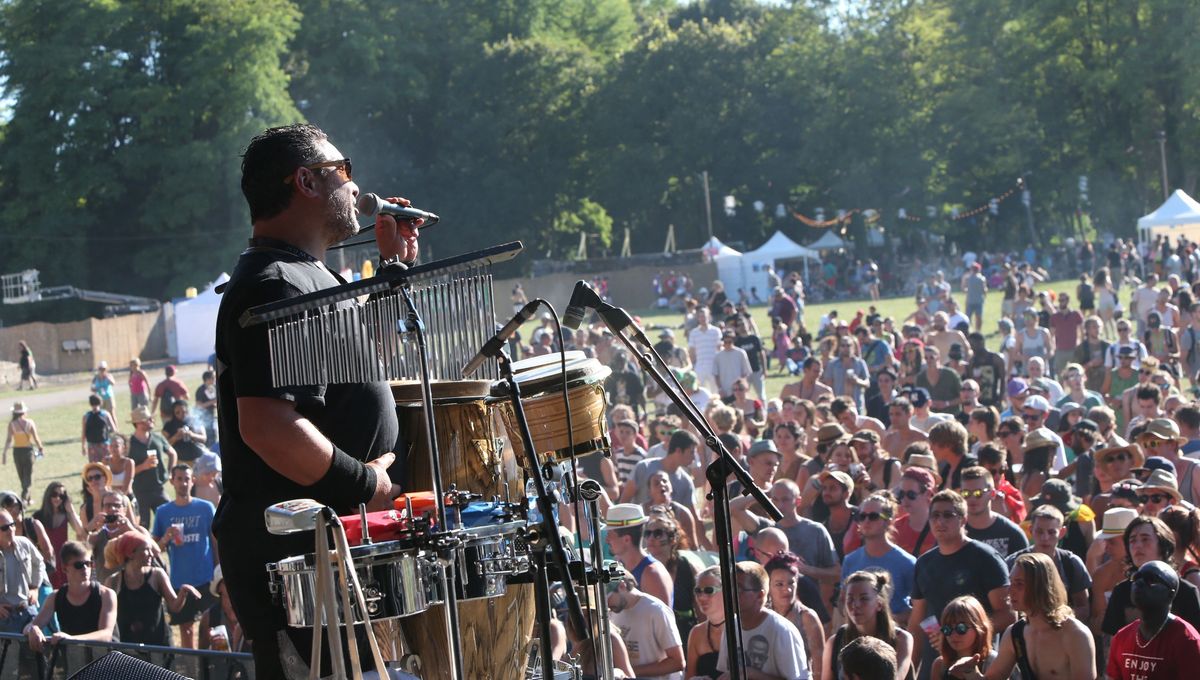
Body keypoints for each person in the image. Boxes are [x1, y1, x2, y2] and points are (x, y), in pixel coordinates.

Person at [213, 124, 416, 678]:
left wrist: (393, 272)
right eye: (343, 170)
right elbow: (268, 426)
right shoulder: (275, 284)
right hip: (299, 563)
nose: (355, 186)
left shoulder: (309, 276)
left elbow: (361, 365)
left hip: (329, 556)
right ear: (304, 181)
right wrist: (365, 483)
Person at [907, 490, 1014, 680]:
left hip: (979, 665)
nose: (940, 521)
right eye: (935, 515)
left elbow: (1008, 615)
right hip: (937, 666)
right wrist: (910, 672)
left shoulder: (986, 558)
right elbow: (916, 623)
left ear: (963, 519)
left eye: (948, 515)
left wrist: (957, 634)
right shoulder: (924, 563)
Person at [949, 552, 1097, 679]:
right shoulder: (1015, 634)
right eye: (1011, 582)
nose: (1010, 591)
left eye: (1019, 584)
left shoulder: (1075, 634)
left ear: (1041, 587)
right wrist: (970, 672)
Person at [152, 465, 217, 649]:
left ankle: (209, 664)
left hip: (206, 578)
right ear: (172, 481)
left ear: (193, 481)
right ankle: (190, 665)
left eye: (187, 479)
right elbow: (154, 549)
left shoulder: (206, 508)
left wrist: (218, 570)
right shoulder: (163, 512)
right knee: (186, 630)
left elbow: (215, 542)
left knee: (211, 629)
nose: (183, 483)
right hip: (180, 581)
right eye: (179, 479)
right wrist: (166, 538)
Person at [1102, 515, 1200, 637]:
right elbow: (1111, 641)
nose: (1137, 545)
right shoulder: (1121, 592)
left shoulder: (1186, 592)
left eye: (1145, 539)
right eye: (1132, 540)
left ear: (1163, 545)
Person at [715, 561, 810, 679]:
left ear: (760, 595)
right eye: (729, 588)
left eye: (738, 589)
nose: (731, 594)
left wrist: (752, 674)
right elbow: (725, 672)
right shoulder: (730, 627)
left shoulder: (782, 630)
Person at [1106, 560, 1200, 679]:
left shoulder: (1186, 640)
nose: (1139, 583)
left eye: (1151, 580)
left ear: (1170, 594)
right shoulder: (1121, 638)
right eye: (1136, 578)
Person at [104, 531, 200, 645]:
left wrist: (183, 592)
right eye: (146, 550)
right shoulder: (113, 582)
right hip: (127, 646)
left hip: (158, 646)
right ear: (131, 553)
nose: (152, 554)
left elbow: (174, 606)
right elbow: (105, 615)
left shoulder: (157, 575)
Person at [23, 541, 117, 652]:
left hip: (107, 658)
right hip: (75, 658)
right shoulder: (55, 597)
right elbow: (30, 627)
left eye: (88, 564)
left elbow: (106, 635)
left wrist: (71, 639)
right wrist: (33, 629)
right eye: (79, 565)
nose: (85, 568)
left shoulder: (106, 595)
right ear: (64, 568)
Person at [821, 569, 913, 680]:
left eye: (864, 598)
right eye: (850, 599)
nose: (855, 605)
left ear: (879, 604)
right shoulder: (835, 642)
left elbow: (897, 677)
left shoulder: (901, 639)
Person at [841, 492, 916, 626]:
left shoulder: (907, 562)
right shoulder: (850, 561)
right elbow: (843, 601)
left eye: (873, 516)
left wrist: (888, 620)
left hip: (894, 634)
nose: (866, 521)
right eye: (862, 516)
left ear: (888, 521)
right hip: (859, 633)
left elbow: (919, 608)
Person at [1005, 505, 1092, 621]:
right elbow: (1005, 605)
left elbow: (1083, 607)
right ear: (1031, 530)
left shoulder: (1071, 563)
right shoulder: (1013, 563)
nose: (1045, 537)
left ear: (1062, 532)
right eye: (1039, 531)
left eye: (1051, 532)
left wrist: (1056, 621)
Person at [607, 565, 685, 680]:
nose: (606, 604)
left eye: (608, 598)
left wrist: (628, 671)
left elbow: (677, 662)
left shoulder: (656, 610)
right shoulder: (612, 611)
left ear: (622, 586)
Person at [764, 552, 826, 675]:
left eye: (791, 583)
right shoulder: (763, 614)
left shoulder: (808, 617)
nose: (787, 590)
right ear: (768, 587)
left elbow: (820, 667)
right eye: (779, 584)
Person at [643, 510, 700, 641]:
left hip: (684, 635)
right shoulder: (641, 567)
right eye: (647, 533)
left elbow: (701, 611)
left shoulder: (688, 569)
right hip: (651, 636)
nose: (651, 538)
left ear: (672, 539)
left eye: (658, 533)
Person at [606, 504, 673, 607]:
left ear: (626, 539)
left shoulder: (652, 574)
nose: (607, 540)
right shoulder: (618, 565)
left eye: (609, 534)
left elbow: (662, 615)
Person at [960, 466, 1028, 558]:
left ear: (992, 494)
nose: (972, 498)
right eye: (966, 493)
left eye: (978, 493)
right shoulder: (954, 531)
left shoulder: (1012, 534)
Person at [127, 406, 176, 527]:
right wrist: (143, 466)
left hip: (158, 488)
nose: (152, 421)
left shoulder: (157, 438)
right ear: (138, 423)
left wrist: (171, 472)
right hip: (139, 491)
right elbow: (126, 471)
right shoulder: (129, 444)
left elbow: (172, 453)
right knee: (142, 525)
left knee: (170, 520)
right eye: (148, 419)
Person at [0, 508, 46, 634]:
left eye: (12, 524)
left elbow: (39, 563)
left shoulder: (24, 543)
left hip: (27, 610)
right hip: (4, 617)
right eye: (4, 528)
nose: (11, 530)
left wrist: (35, 588)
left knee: (36, 642)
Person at [928, 596, 996, 680]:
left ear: (980, 628)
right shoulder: (940, 665)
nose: (953, 634)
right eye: (947, 629)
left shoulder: (992, 662)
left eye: (961, 628)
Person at [33, 482, 83, 589]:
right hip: (46, 560)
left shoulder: (66, 514)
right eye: (54, 494)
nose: (58, 498)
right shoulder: (38, 516)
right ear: (48, 495)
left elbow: (80, 531)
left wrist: (71, 510)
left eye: (62, 496)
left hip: (63, 559)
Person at [685, 566, 724, 680]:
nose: (701, 597)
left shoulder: (742, 628)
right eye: (697, 591)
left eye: (709, 590)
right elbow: (690, 676)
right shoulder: (697, 632)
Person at [3, 401, 44, 503]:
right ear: (24, 412)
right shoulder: (29, 423)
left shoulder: (12, 424)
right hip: (28, 451)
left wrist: (4, 452)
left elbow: (9, 440)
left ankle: (27, 498)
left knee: (22, 476)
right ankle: (24, 498)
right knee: (28, 476)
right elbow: (36, 438)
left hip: (17, 452)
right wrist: (40, 447)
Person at [162, 399, 209, 465]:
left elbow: (204, 438)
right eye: (178, 412)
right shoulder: (168, 426)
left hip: (198, 458)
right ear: (173, 413)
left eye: (184, 412)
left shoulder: (194, 420)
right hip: (180, 461)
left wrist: (191, 435)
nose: (181, 414)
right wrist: (175, 437)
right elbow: (164, 445)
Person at [81, 395, 117, 464]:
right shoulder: (105, 414)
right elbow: (114, 429)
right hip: (104, 444)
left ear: (90, 403)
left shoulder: (86, 416)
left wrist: (83, 446)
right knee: (106, 465)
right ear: (100, 403)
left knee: (94, 466)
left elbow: (83, 433)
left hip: (92, 445)